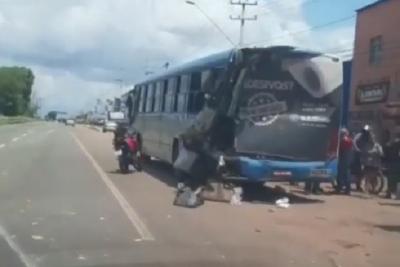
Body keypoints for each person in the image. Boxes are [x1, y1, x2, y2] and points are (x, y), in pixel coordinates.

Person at [383, 133, 400, 199]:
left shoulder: (393, 142)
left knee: (391, 178)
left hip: (393, 162)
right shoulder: (396, 143)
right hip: (396, 162)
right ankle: (391, 193)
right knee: (394, 178)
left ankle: (389, 193)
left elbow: (387, 147)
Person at [337, 128, 353, 194]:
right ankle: (346, 188)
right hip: (347, 159)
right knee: (346, 173)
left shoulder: (343, 140)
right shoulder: (349, 140)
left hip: (343, 159)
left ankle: (341, 187)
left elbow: (340, 149)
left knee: (341, 173)